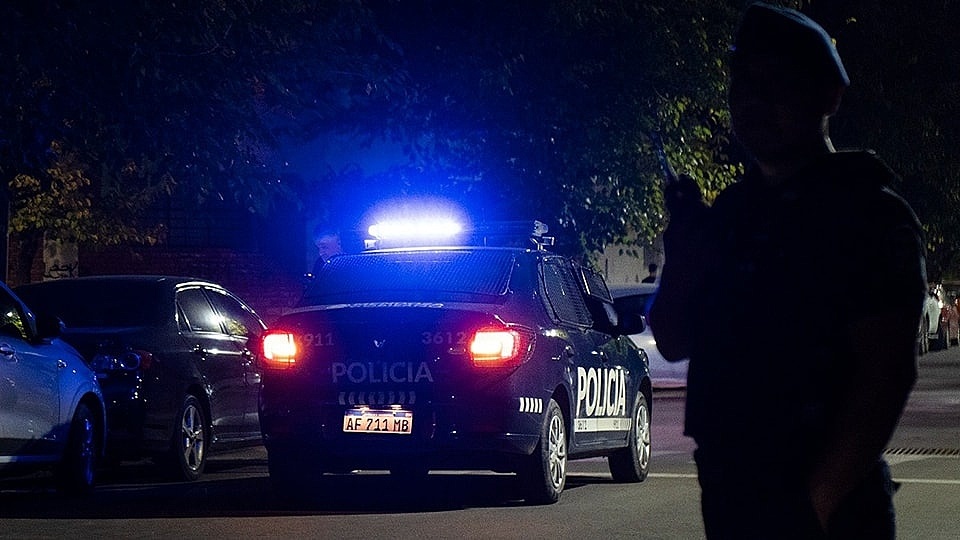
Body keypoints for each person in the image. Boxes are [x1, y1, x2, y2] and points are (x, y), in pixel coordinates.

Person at [649, 3, 925, 539]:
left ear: (829, 96)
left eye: (777, 83)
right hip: (732, 496)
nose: (755, 101)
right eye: (743, 85)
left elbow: (885, 373)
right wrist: (684, 257)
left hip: (828, 513)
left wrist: (814, 507)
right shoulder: (731, 217)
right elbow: (674, 340)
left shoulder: (868, 215)